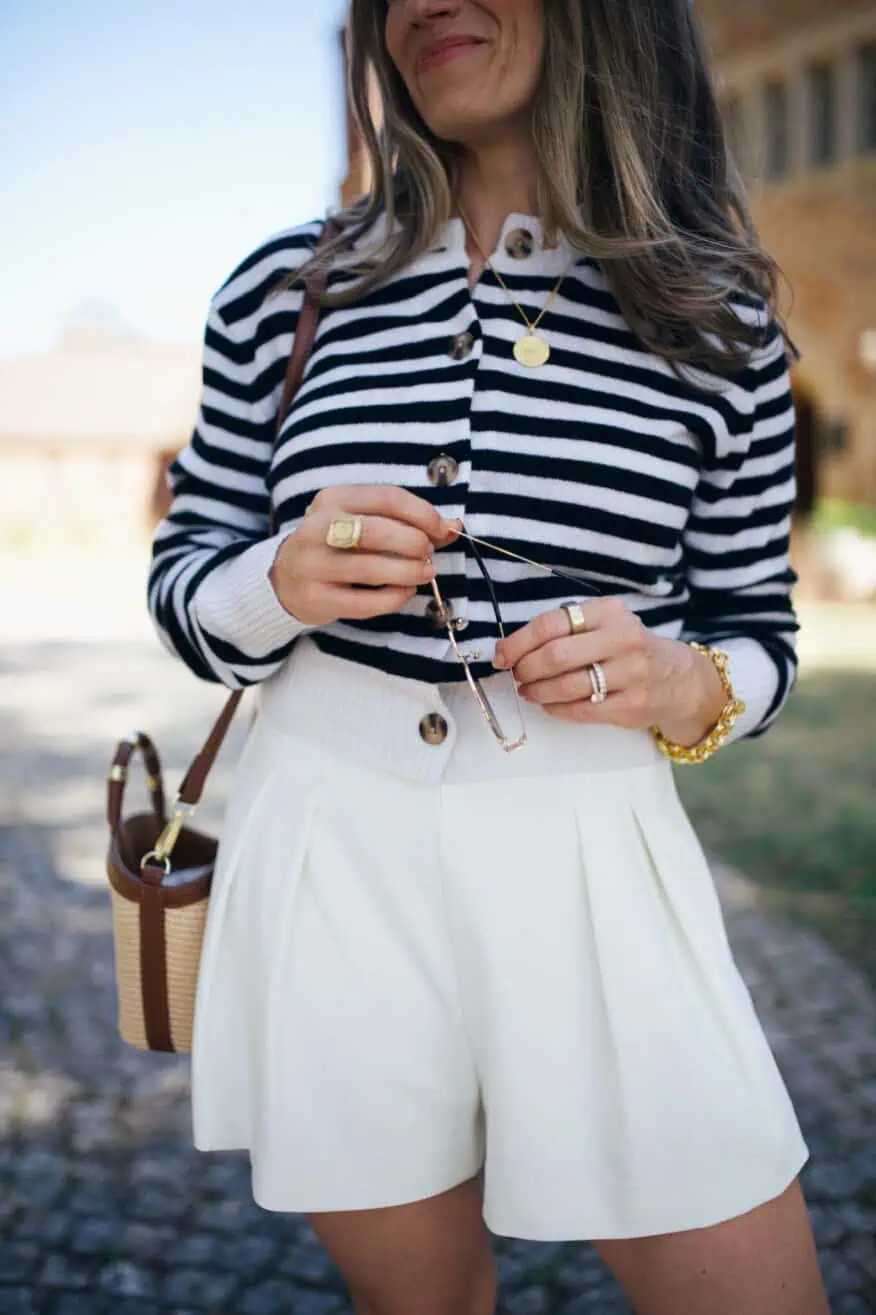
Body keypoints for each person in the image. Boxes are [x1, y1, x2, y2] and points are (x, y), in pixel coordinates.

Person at [147, 2, 831, 1312]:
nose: (424, 8)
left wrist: (686, 681)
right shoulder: (281, 292)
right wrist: (277, 577)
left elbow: (762, 630)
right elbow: (183, 589)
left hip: (589, 852)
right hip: (324, 845)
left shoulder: (718, 318)